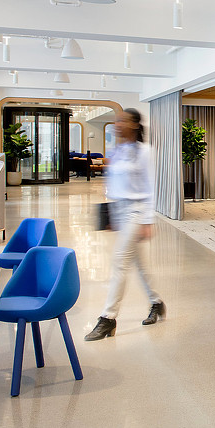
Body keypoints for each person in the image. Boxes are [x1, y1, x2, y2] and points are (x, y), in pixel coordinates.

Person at [86, 109, 166, 341]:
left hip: (137, 211)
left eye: (121, 120)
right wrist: (111, 214)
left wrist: (148, 220)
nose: (116, 124)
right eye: (116, 120)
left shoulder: (145, 152)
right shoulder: (118, 151)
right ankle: (157, 302)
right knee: (138, 262)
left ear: (133, 125)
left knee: (119, 260)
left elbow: (152, 187)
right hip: (120, 210)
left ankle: (108, 318)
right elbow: (112, 183)